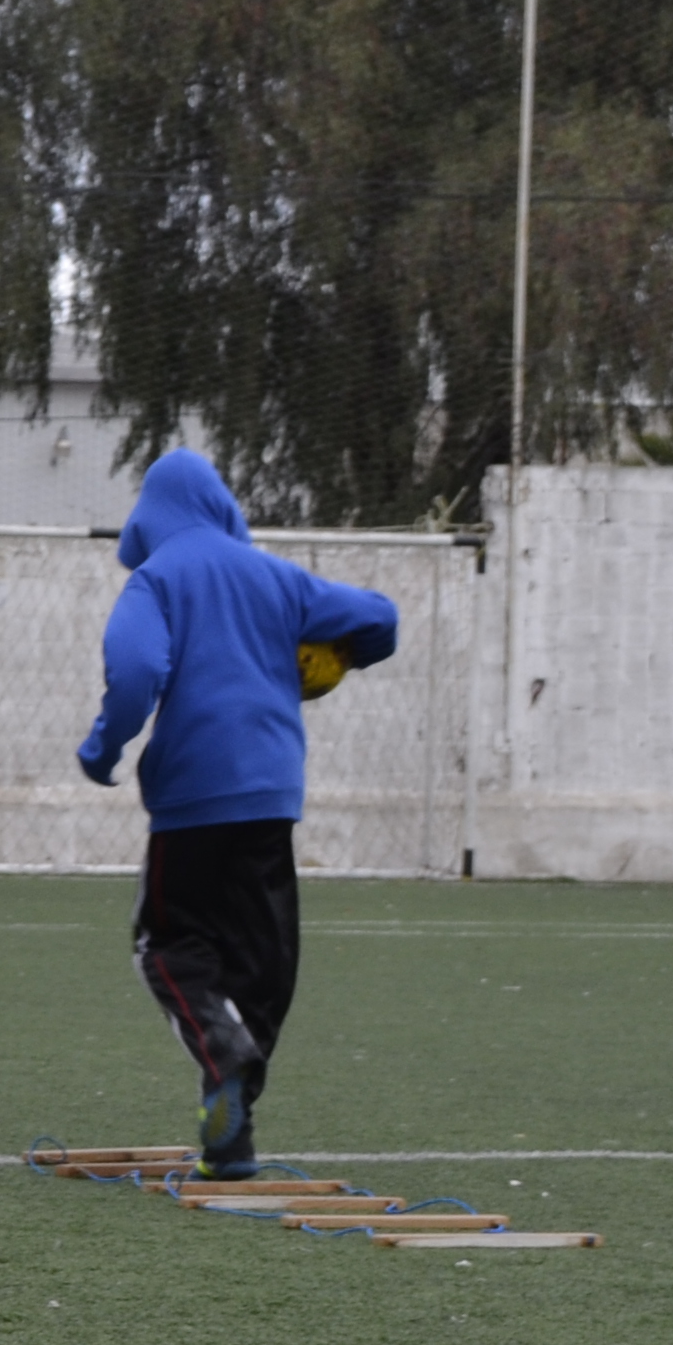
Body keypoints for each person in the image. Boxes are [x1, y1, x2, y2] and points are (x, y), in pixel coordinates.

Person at [72, 447, 399, 1181]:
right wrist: (332, 660)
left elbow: (133, 674)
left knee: (167, 943)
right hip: (271, 800)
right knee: (260, 963)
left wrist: (102, 750)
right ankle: (231, 1134)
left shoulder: (156, 581)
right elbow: (381, 619)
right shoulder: (277, 579)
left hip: (190, 802)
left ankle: (221, 1058)